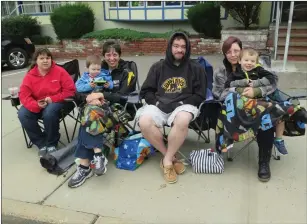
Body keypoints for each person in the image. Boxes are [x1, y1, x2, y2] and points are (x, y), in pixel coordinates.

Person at [212, 36, 307, 182]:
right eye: (228, 51)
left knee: (265, 118)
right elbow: (218, 93)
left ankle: (264, 162)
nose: (233, 54)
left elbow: (272, 82)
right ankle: (290, 109)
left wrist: (256, 92)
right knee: (265, 111)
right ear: (224, 54)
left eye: (236, 50)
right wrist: (239, 90)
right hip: (236, 110)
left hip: (259, 105)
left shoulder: (254, 64)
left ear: (241, 51)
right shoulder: (220, 72)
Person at [136, 32, 207, 184]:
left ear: (187, 49)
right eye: (176, 46)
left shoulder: (196, 68)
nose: (179, 50)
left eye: (183, 46)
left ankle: (167, 161)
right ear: (170, 47)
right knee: (144, 121)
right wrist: (155, 103)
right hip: (160, 104)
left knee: (182, 119)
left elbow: (200, 95)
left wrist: (181, 104)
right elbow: (146, 91)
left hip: (184, 104)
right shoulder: (157, 67)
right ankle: (171, 157)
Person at [68, 40, 137, 188]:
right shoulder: (97, 68)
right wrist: (87, 97)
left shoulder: (128, 70)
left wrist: (100, 94)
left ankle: (84, 166)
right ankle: (97, 157)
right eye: (108, 55)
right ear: (103, 56)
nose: (111, 58)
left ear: (119, 55)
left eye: (115, 55)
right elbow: (78, 92)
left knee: (89, 116)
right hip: (95, 107)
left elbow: (123, 95)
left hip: (120, 109)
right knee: (91, 112)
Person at [225, 47, 288, 155]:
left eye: (252, 61)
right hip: (245, 104)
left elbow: (271, 78)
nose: (249, 63)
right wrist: (243, 82)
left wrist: (256, 84)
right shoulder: (235, 74)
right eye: (246, 60)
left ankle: (278, 140)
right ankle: (233, 135)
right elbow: (228, 84)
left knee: (280, 112)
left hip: (261, 100)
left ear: (256, 63)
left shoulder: (259, 71)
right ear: (240, 61)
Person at [18, 48, 76, 157]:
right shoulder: (30, 76)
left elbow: (70, 91)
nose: (45, 61)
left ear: (51, 59)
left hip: (60, 102)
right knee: (23, 114)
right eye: (41, 58)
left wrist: (52, 99)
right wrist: (36, 104)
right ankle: (41, 143)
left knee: (49, 112)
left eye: (48, 58)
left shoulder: (59, 71)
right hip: (38, 104)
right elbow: (24, 95)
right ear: (36, 60)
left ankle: (51, 144)